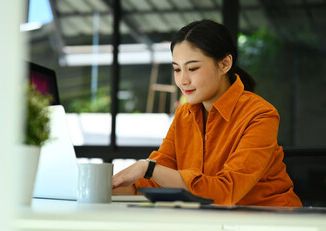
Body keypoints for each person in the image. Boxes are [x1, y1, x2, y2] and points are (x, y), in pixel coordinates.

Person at [112, 19, 302, 207]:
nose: (183, 80)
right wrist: (105, 186)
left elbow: (226, 191)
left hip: (271, 223)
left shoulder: (260, 115)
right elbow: (154, 181)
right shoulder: (183, 115)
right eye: (177, 69)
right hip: (216, 222)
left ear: (225, 64)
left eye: (193, 68)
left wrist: (148, 167)